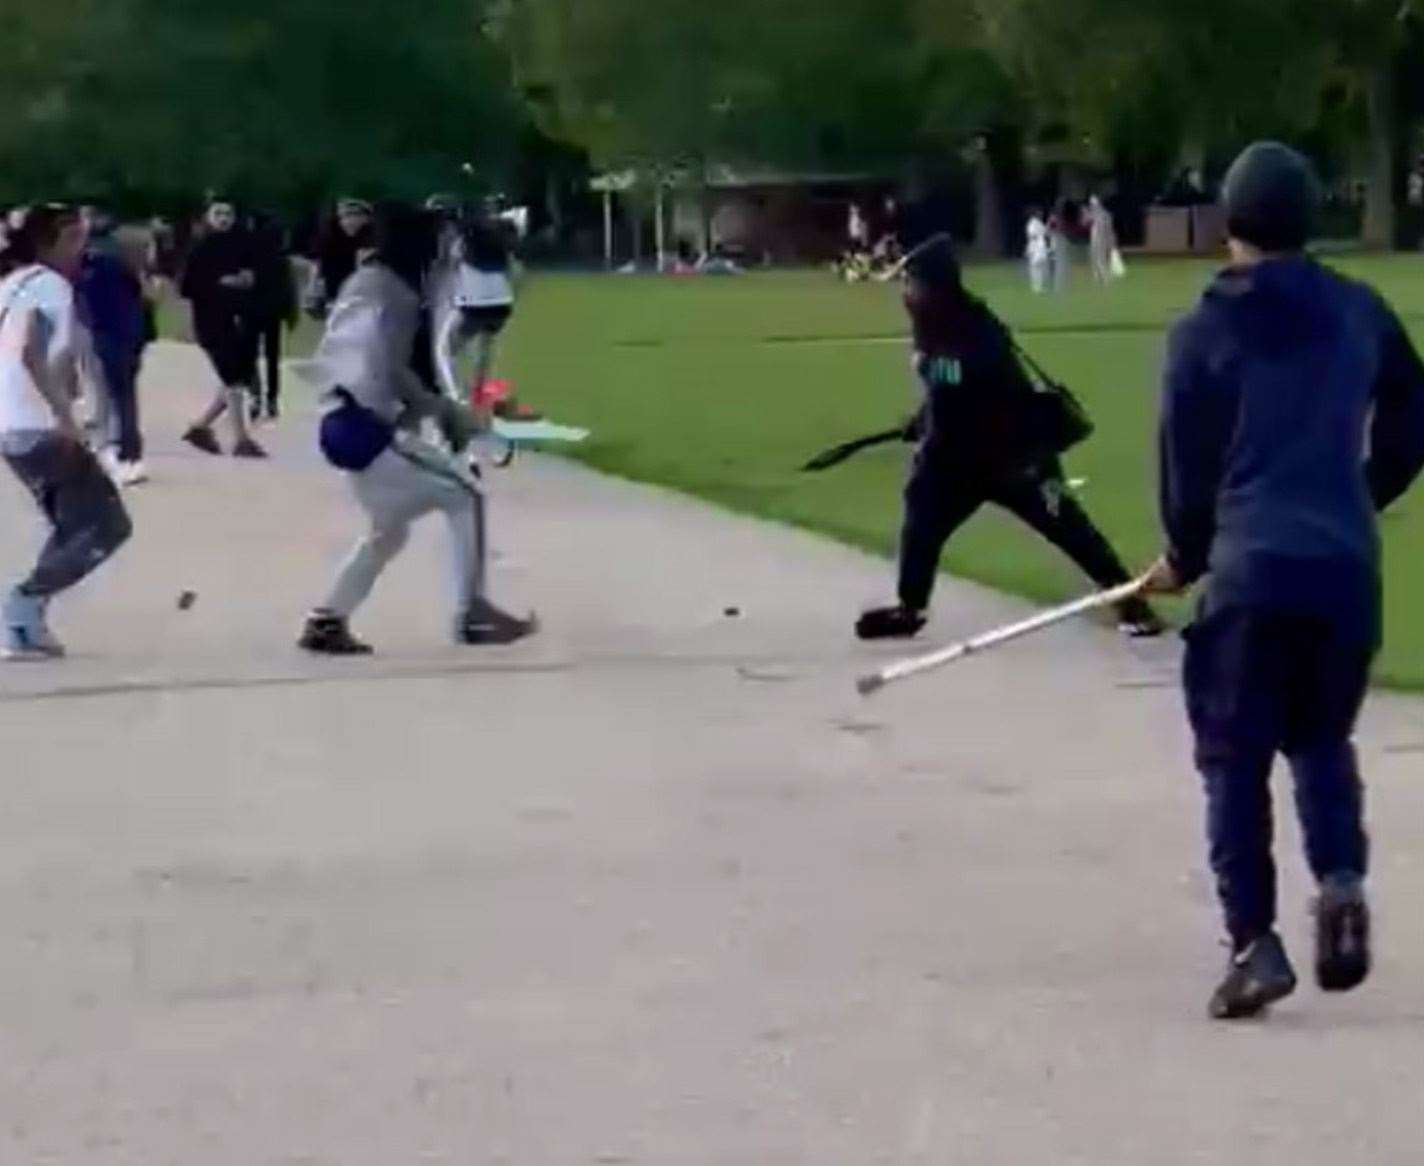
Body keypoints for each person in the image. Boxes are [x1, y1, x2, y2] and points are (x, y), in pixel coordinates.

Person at [1142, 142, 1424, 1021]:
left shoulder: (1202, 332)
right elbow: (1414, 419)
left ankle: (1253, 942)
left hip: (1250, 570)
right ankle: (1340, 882)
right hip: (1343, 567)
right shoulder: (1359, 311)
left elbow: (1185, 472)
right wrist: (1360, 496)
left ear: (1229, 222)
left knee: (1234, 759)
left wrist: (1183, 557)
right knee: (1319, 739)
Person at [856, 235, 1163, 641]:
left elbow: (973, 376)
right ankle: (910, 607)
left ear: (934, 285)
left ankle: (1131, 602)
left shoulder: (977, 325)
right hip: (952, 461)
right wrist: (923, 421)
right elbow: (945, 393)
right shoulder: (929, 323)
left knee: (1071, 530)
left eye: (911, 283)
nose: (905, 293)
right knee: (921, 520)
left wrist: (929, 367)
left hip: (1014, 458)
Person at [297, 202, 536, 655]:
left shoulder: (368, 282)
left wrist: (432, 410)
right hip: (361, 425)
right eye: (446, 239)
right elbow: (390, 368)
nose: (453, 248)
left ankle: (327, 619)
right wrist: (443, 408)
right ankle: (472, 614)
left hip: (344, 419)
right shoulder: (396, 293)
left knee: (390, 529)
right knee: (465, 494)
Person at [0, 204, 133, 660]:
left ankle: (27, 618)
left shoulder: (11, 283)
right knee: (107, 525)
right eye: (72, 240)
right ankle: (21, 606)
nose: (82, 249)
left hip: (11, 428)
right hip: (40, 429)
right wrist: (66, 416)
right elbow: (32, 353)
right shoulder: (52, 286)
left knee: (72, 524)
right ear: (46, 244)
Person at [178, 198, 266, 458]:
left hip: (236, 319)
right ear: (208, 217)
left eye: (228, 213)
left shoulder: (243, 245)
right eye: (218, 213)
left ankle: (200, 427)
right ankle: (241, 439)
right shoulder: (199, 248)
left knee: (235, 378)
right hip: (210, 321)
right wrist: (220, 283)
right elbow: (186, 288)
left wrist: (247, 280)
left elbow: (255, 277)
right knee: (233, 378)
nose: (224, 218)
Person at [76, 206, 150, 485]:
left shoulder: (89, 260)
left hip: (106, 332)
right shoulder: (119, 257)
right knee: (123, 395)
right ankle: (127, 450)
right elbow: (138, 293)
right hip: (128, 331)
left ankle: (117, 450)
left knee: (109, 393)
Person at [249, 213, 297, 422]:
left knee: (250, 356)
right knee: (272, 357)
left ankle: (255, 395)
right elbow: (288, 289)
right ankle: (271, 398)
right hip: (273, 312)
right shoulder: (281, 259)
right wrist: (290, 313)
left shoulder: (251, 257)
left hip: (252, 311)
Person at [304, 198, 373, 320]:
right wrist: (314, 290)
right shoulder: (328, 238)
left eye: (356, 218)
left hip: (355, 292)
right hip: (337, 289)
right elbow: (317, 264)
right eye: (347, 218)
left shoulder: (370, 238)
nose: (351, 223)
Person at [1086, 195, 1119, 284]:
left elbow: (1109, 228)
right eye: (1091, 204)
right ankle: (1097, 277)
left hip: (1102, 237)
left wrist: (1111, 240)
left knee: (1101, 258)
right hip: (1094, 237)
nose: (1092, 206)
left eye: (1094, 204)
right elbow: (1086, 221)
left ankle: (1105, 278)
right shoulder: (1092, 213)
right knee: (1094, 257)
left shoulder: (1104, 214)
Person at [1025, 207, 1050, 293]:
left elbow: (1045, 232)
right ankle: (1036, 287)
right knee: (1035, 267)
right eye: (1039, 212)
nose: (1041, 214)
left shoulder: (1039, 223)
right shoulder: (1032, 223)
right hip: (1035, 247)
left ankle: (1040, 286)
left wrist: (1048, 226)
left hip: (1041, 246)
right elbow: (1032, 235)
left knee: (1041, 266)